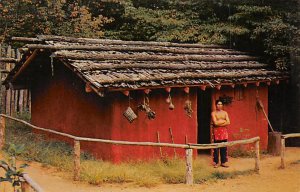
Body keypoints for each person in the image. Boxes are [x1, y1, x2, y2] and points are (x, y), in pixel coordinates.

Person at [211, 100, 230, 168]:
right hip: (216, 132)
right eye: (218, 104)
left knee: (224, 147)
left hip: (224, 132)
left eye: (221, 104)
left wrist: (219, 122)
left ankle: (223, 162)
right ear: (216, 105)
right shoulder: (213, 113)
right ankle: (216, 162)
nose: (220, 105)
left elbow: (228, 122)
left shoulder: (225, 113)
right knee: (216, 147)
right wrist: (223, 121)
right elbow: (215, 123)